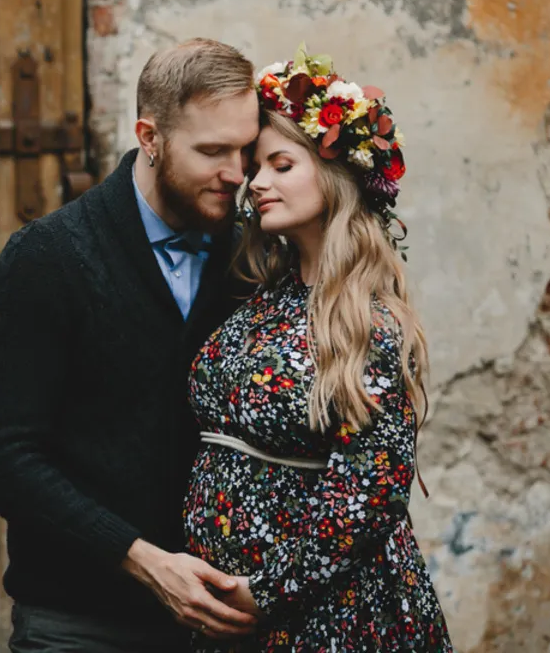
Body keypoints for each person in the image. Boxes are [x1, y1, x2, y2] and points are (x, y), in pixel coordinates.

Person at [0, 38, 264, 651]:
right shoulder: (47, 259)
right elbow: (4, 459)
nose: (237, 174)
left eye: (246, 149)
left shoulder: (254, 259)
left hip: (223, 629)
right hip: (80, 625)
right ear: (149, 137)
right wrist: (144, 560)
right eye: (212, 151)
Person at [183, 46, 452, 651]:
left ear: (335, 177)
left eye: (280, 165)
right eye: (257, 169)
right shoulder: (263, 296)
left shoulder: (367, 323)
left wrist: (268, 592)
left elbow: (369, 495)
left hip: (326, 617)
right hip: (228, 612)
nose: (256, 184)